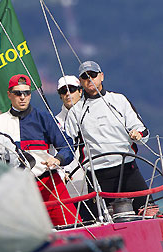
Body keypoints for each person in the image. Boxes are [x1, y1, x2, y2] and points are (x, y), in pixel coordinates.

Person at [0, 74, 80, 226]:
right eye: (18, 93)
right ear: (9, 95)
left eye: (26, 93)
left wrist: (58, 159)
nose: (22, 97)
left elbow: (67, 146)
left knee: (73, 225)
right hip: (15, 188)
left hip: (48, 183)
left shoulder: (44, 118)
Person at [65, 60, 155, 218]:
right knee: (106, 220)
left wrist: (138, 135)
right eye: (85, 77)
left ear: (101, 76)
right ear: (80, 82)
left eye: (93, 75)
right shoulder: (75, 112)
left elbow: (142, 129)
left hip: (127, 169)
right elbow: (67, 146)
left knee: (150, 213)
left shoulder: (119, 100)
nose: (89, 79)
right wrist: (65, 169)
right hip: (97, 175)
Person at [55, 75, 86, 198]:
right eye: (63, 91)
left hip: (96, 176)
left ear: (80, 91)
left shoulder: (93, 113)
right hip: (70, 181)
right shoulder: (54, 122)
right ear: (60, 95)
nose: (68, 94)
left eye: (72, 89)